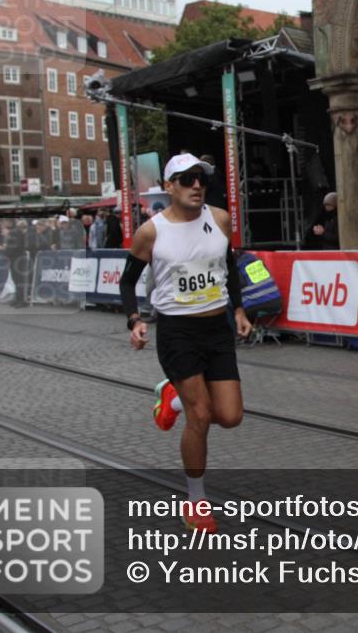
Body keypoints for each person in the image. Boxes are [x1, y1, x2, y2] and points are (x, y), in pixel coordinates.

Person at [119, 153, 252, 534]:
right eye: (187, 179)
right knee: (201, 415)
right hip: (177, 333)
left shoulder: (220, 219)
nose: (197, 185)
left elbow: (228, 269)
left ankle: (171, 398)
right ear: (170, 186)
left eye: (201, 179)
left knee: (230, 416)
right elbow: (128, 282)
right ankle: (196, 500)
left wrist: (239, 310)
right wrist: (135, 320)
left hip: (217, 330)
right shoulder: (152, 231)